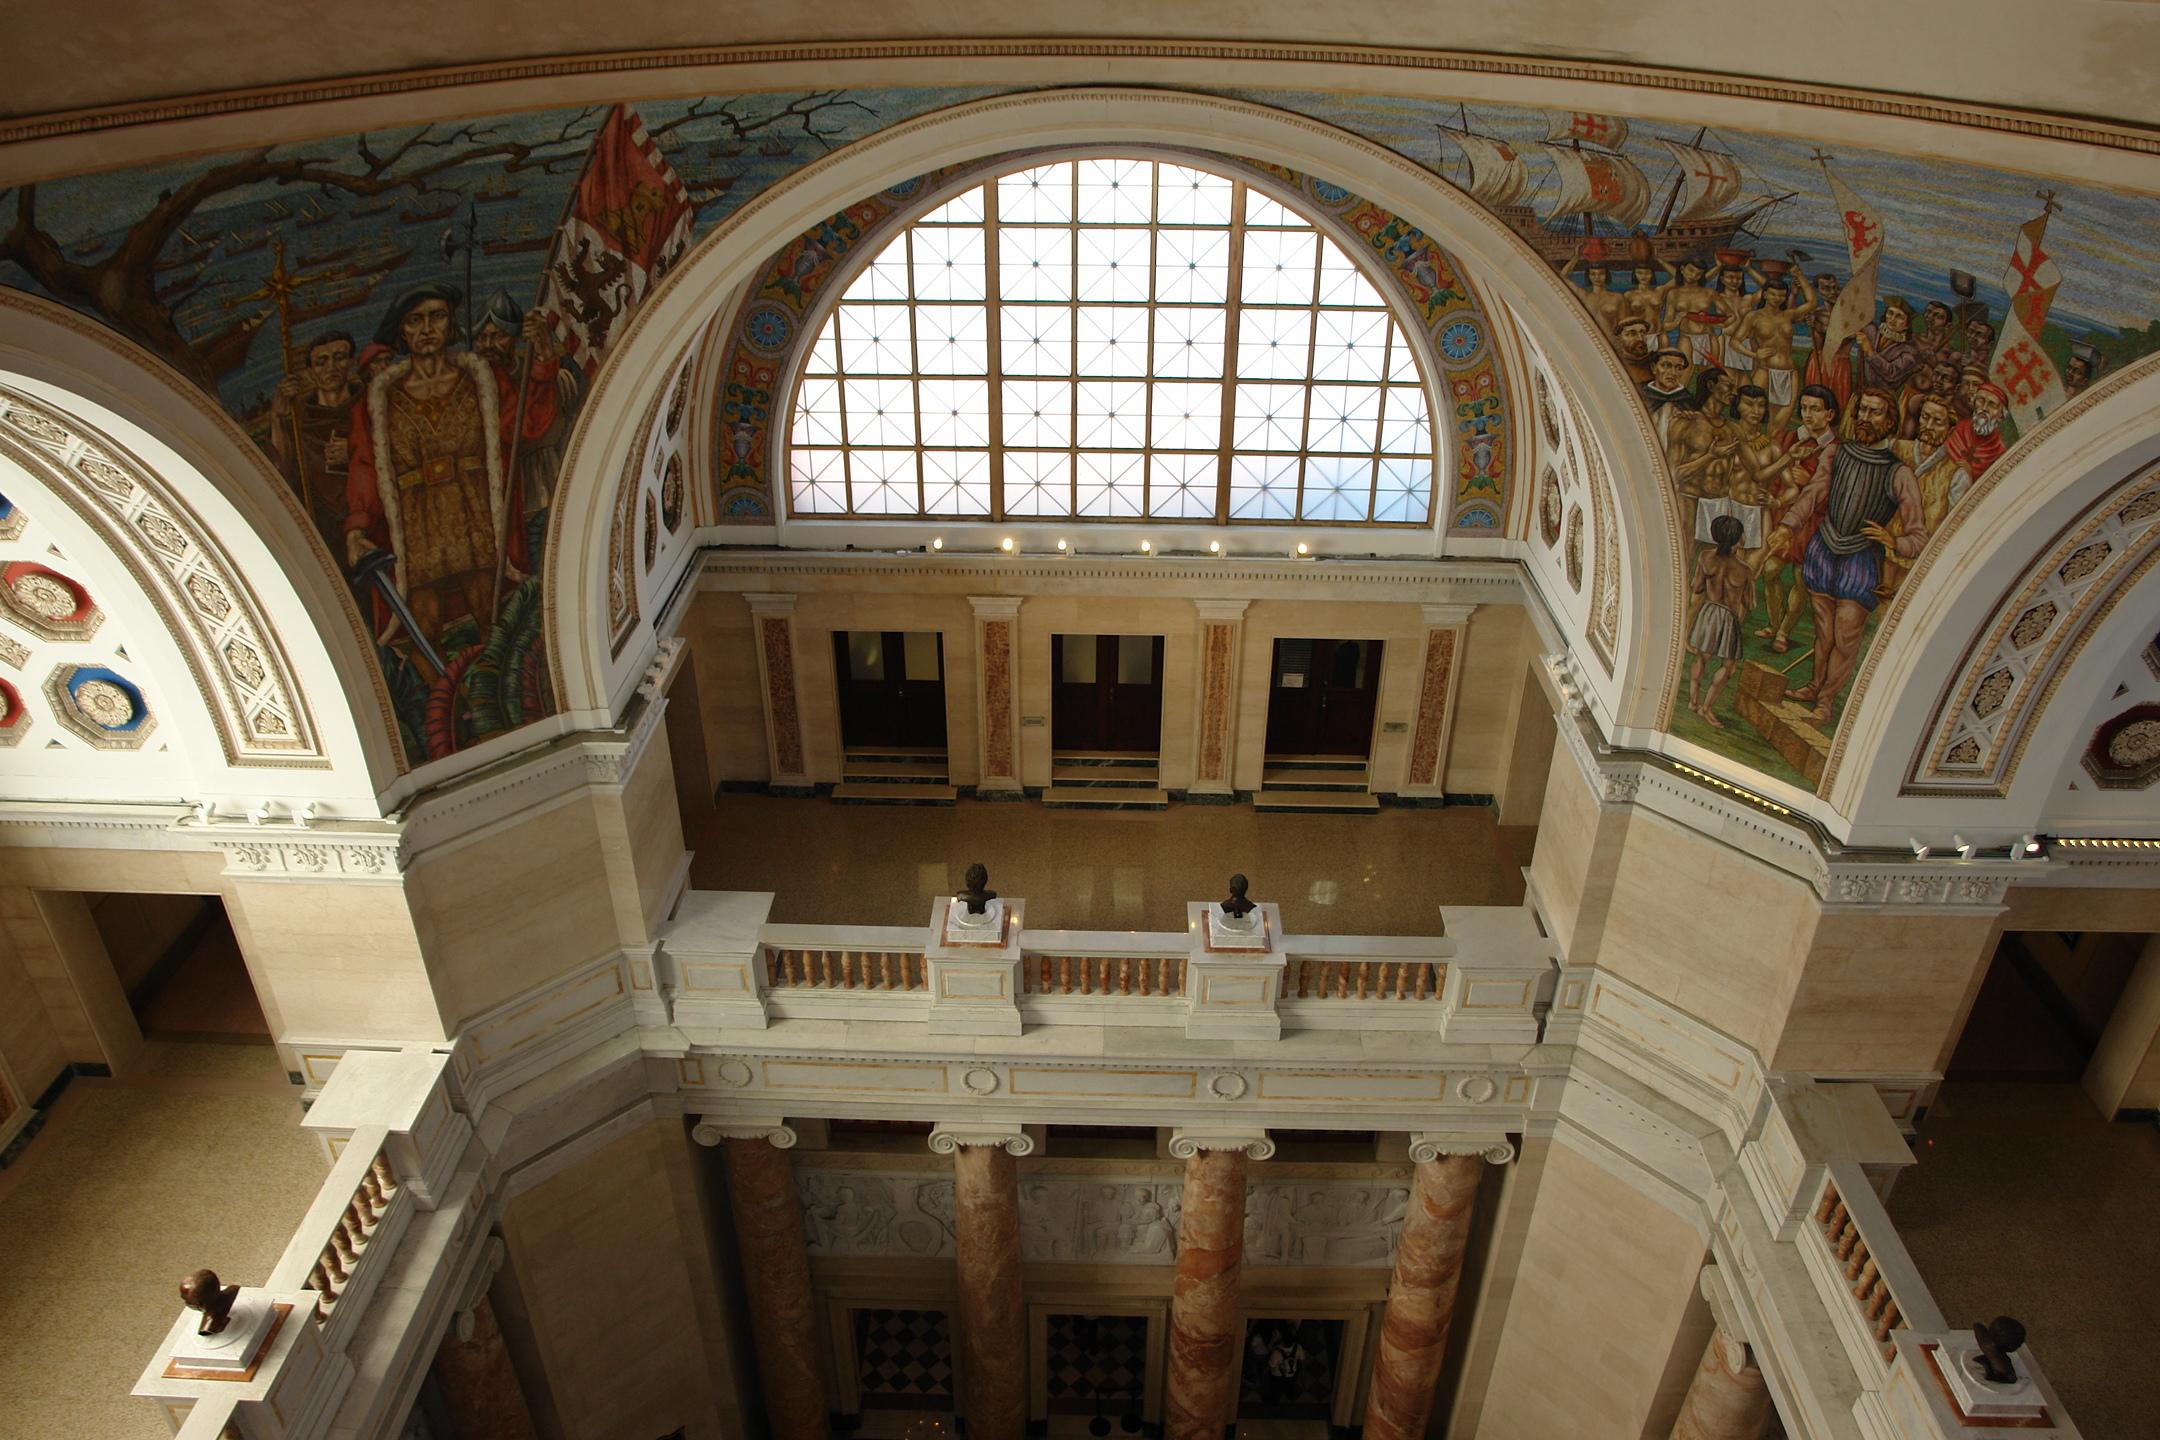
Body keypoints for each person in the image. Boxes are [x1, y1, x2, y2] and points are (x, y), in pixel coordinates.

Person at [344, 284, 529, 659]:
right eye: (415, 320)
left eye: (437, 316)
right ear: (401, 330)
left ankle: (493, 686)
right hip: (416, 521)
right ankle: (444, 702)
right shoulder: (381, 398)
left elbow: (526, 423)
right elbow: (365, 463)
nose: (427, 328)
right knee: (423, 622)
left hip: (473, 509)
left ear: (451, 324)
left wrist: (541, 362)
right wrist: (356, 528)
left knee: (489, 609)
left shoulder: (481, 379)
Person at [1765, 388, 1927, 725]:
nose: (1866, 419)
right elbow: (1813, 494)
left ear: (1891, 420)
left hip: (1860, 559)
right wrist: (1787, 526)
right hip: (1825, 549)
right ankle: (1813, 686)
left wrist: (1893, 541)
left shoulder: (1900, 473)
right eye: (1862, 411)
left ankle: (1826, 703)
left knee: (1845, 636)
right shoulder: (1837, 454)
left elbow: (1919, 536)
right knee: (1823, 632)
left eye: (1876, 413)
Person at [472, 289, 582, 515]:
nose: (489, 344)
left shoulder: (541, 372)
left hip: (536, 485)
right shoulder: (474, 384)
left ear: (515, 337)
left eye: (498, 336)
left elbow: (541, 426)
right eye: (482, 338)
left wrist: (543, 356)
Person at [1755, 385, 1841, 653]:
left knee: (1801, 578)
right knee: (1769, 571)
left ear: (1829, 414)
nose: (1807, 414)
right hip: (1783, 513)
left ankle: (1783, 632)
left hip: (1813, 522)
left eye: (1815, 409)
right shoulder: (1790, 438)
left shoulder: (1835, 448)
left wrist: (1805, 484)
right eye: (1804, 408)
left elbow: (1829, 489)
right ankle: (1773, 621)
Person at [268, 329, 357, 558]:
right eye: (321, 362)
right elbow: (282, 468)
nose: (331, 368)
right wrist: (278, 417)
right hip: (323, 517)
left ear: (352, 362)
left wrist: (355, 451)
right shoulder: (302, 421)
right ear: (310, 371)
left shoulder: (368, 407)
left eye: (339, 358)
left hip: (365, 512)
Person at [1686, 514, 1754, 728]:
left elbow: (1696, 587)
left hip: (1708, 612)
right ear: (1738, 539)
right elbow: (1750, 604)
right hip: (1728, 618)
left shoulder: (1706, 557)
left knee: (1701, 657)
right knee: (1728, 665)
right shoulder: (1744, 570)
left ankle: (1693, 701)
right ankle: (1706, 708)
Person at [1946, 381, 2010, 480]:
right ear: (1974, 402)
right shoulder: (1958, 429)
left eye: (1992, 405)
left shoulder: (1999, 452)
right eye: (1981, 400)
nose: (1984, 408)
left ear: (2001, 416)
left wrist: (1969, 472)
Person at [1613, 314, 1657, 385]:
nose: (1640, 338)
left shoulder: (1656, 360)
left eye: (1643, 333)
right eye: (1632, 334)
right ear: (1619, 340)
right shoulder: (1616, 362)